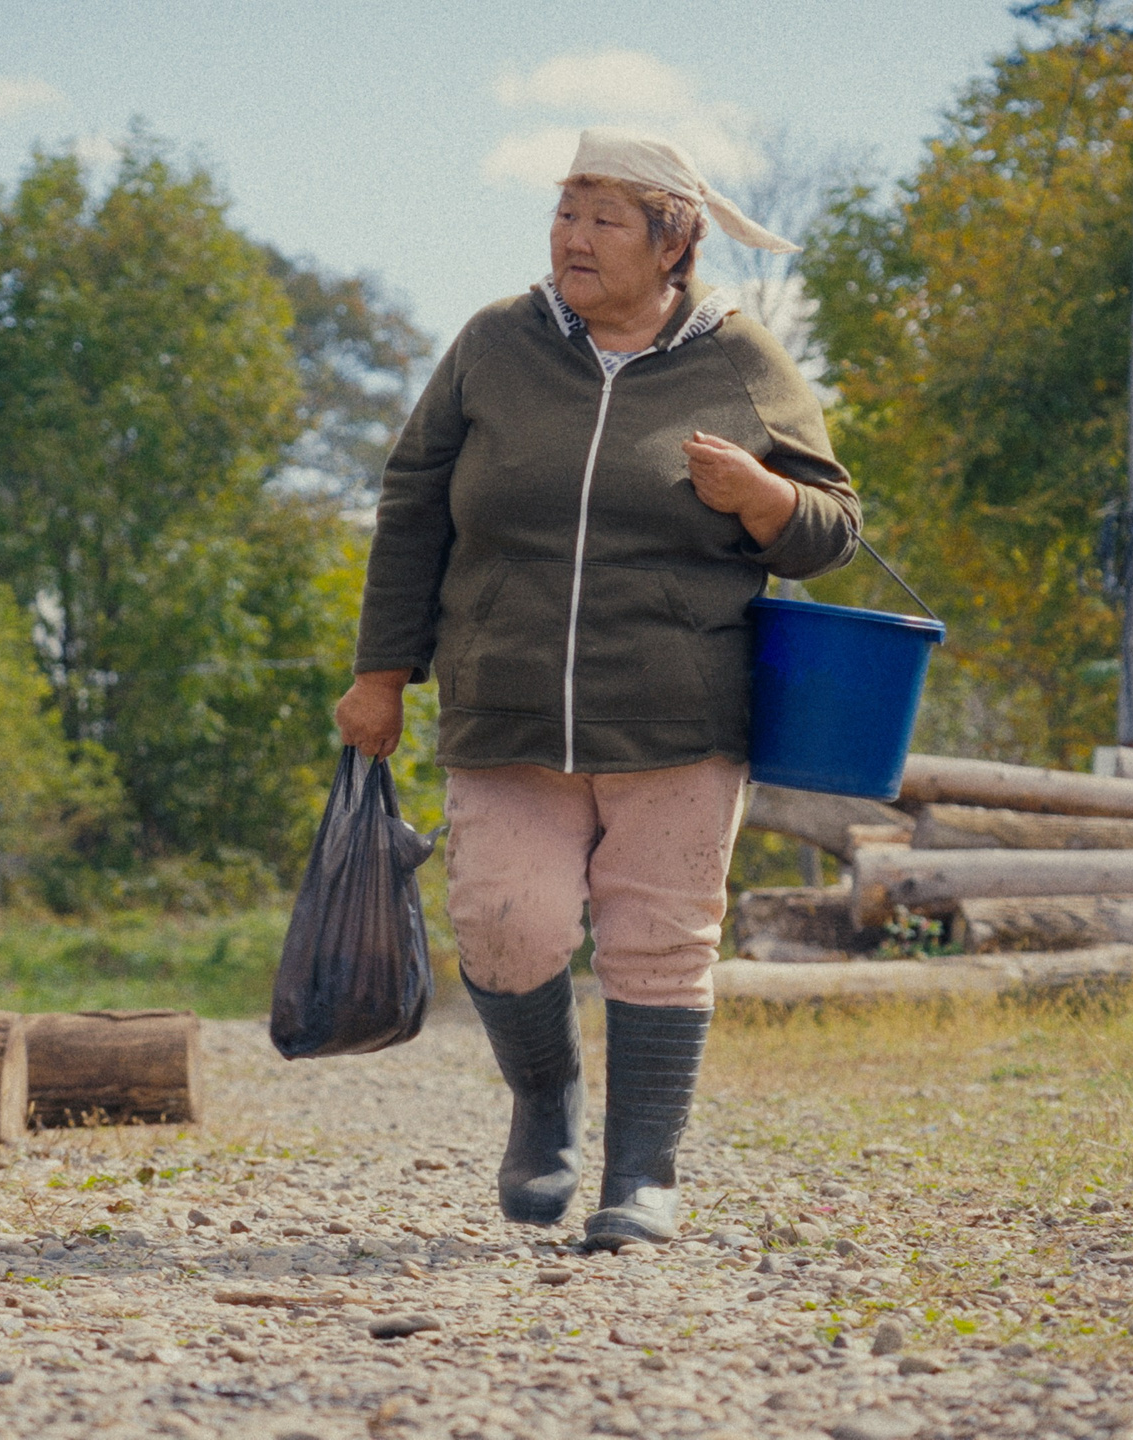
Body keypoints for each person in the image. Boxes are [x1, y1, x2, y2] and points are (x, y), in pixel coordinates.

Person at [334, 127, 863, 1248]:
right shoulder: (493, 344)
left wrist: (761, 496)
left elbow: (831, 534)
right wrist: (379, 676)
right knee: (503, 924)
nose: (571, 235)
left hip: (681, 716)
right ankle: (544, 1104)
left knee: (661, 939)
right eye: (565, 210)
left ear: (672, 244)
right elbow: (413, 508)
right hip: (508, 707)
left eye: (602, 217)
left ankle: (642, 1176)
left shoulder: (741, 359)